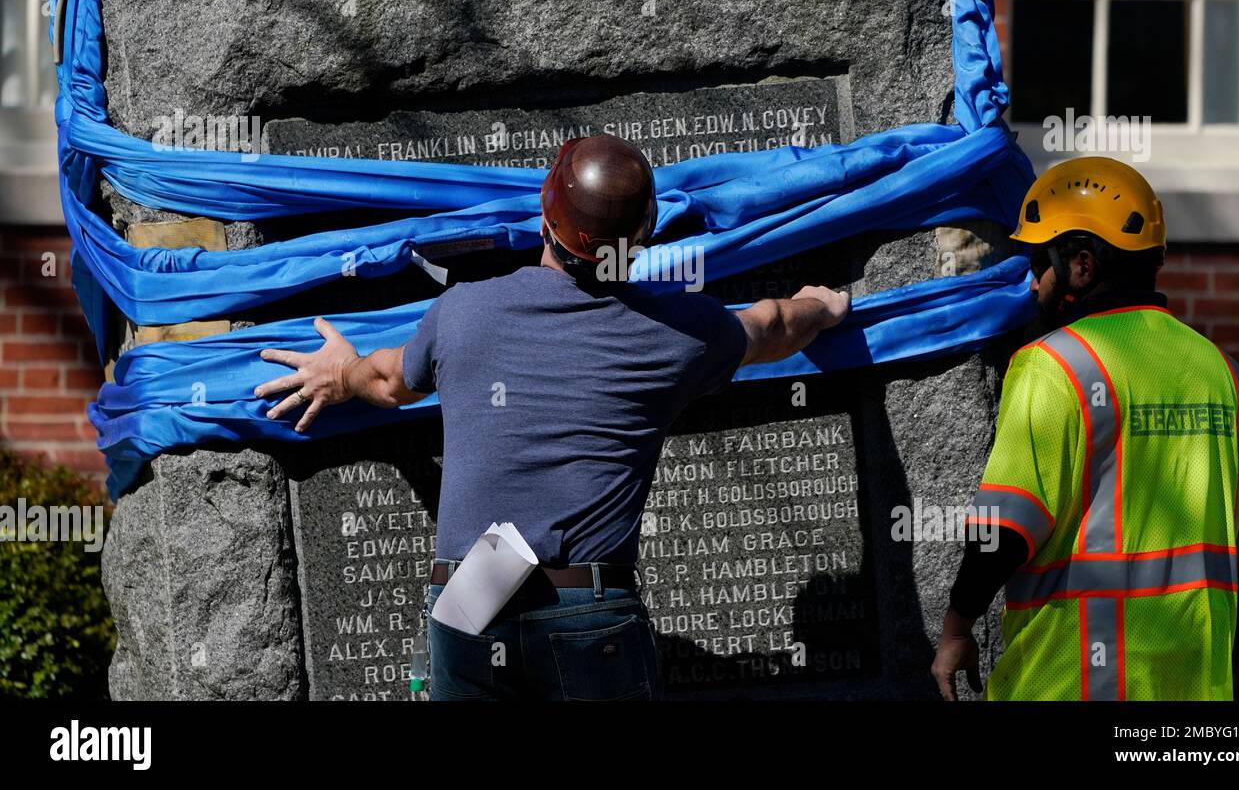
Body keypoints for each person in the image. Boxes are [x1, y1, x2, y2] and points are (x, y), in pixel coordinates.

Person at [254, 133, 849, 700]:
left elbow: (387, 380)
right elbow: (771, 325)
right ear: (645, 233)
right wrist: (820, 308)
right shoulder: (680, 333)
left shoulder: (462, 310)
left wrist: (340, 374)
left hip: (470, 596)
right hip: (586, 606)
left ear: (545, 215)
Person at [932, 156, 1239, 701]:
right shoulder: (1225, 375)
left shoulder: (1053, 367)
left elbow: (1002, 532)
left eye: (1039, 262)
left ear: (1082, 266)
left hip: (1071, 684)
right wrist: (1236, 664)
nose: (1033, 283)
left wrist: (957, 627)